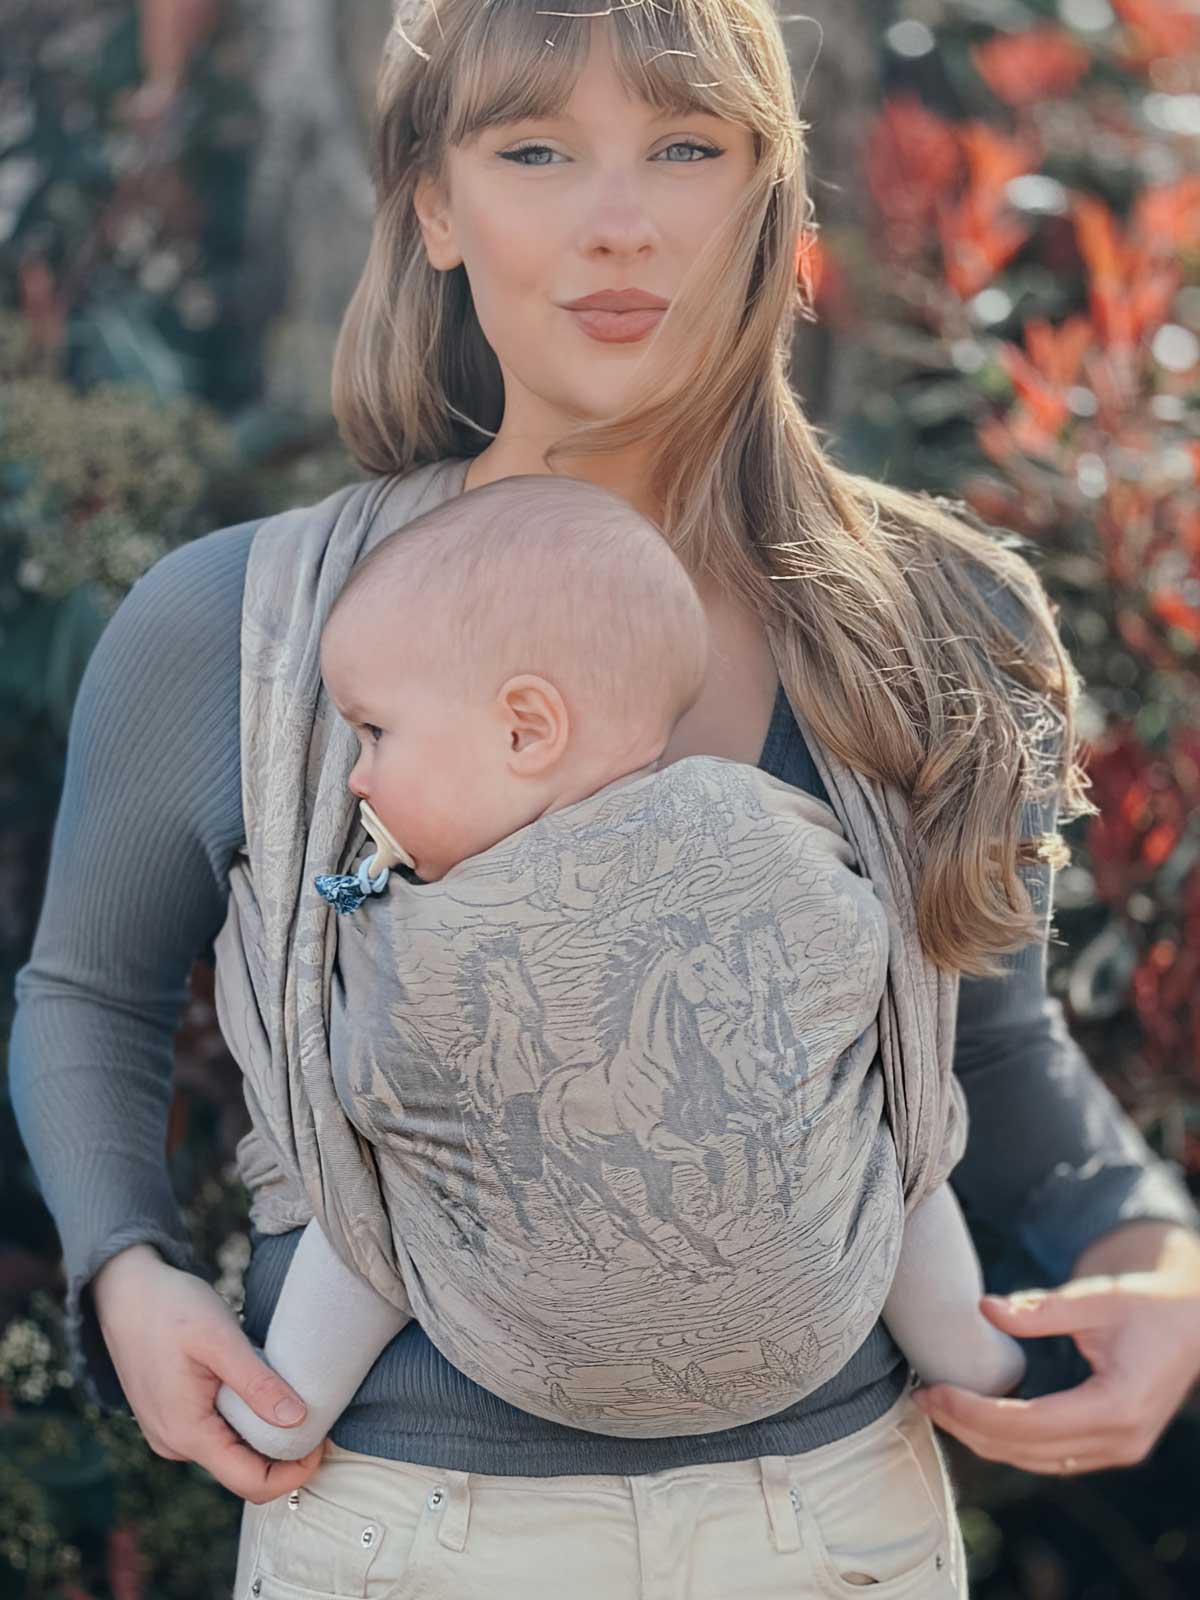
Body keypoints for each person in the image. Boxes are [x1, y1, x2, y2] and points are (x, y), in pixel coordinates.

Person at [9, 1, 1200, 1595]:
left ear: (769, 197)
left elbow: (983, 1046)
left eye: (686, 146)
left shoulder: (944, 626)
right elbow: (87, 990)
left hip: (839, 1538)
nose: (617, 223)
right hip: (396, 1537)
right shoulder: (239, 631)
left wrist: (1155, 1257)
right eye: (535, 152)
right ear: (434, 201)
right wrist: (127, 1273)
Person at [212, 472, 1024, 1464]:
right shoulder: (761, 819)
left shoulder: (418, 921)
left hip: (515, 1354)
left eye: (376, 731)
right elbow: (863, 962)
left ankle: (279, 1409)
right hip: (821, 1327)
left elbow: (367, 1083)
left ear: (526, 729)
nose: (355, 777)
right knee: (906, 1151)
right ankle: (975, 1361)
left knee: (365, 1214)